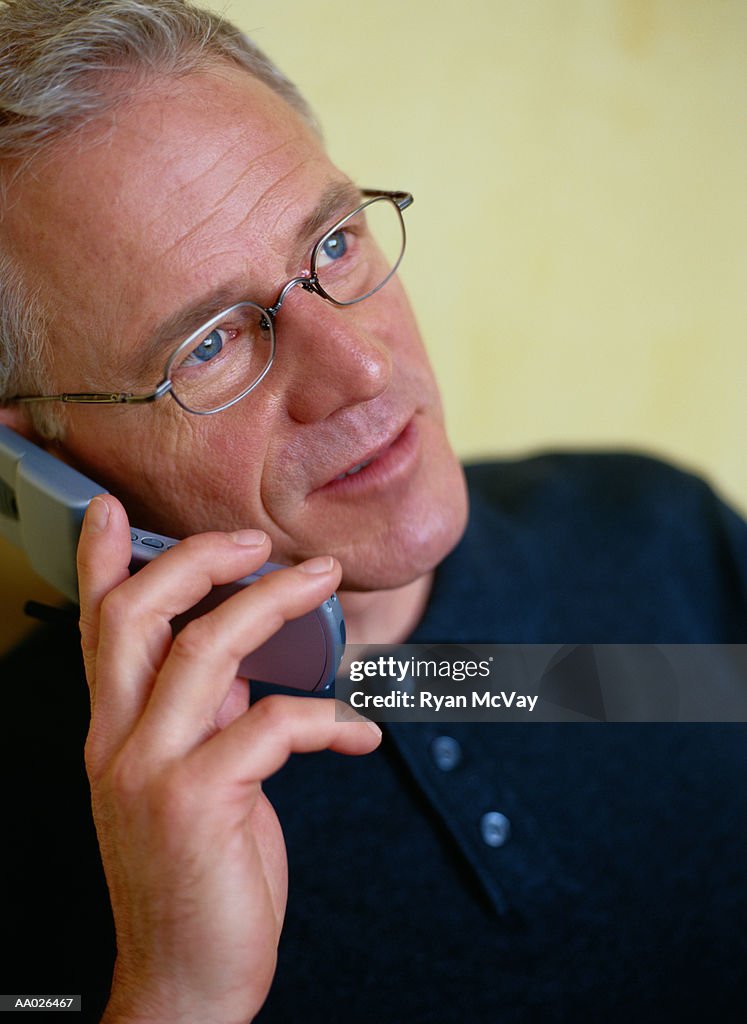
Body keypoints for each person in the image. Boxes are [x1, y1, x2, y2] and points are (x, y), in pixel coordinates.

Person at [0, 2, 745, 1021]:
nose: (358, 366)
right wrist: (174, 993)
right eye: (211, 345)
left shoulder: (660, 534)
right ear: (39, 458)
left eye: (336, 243)